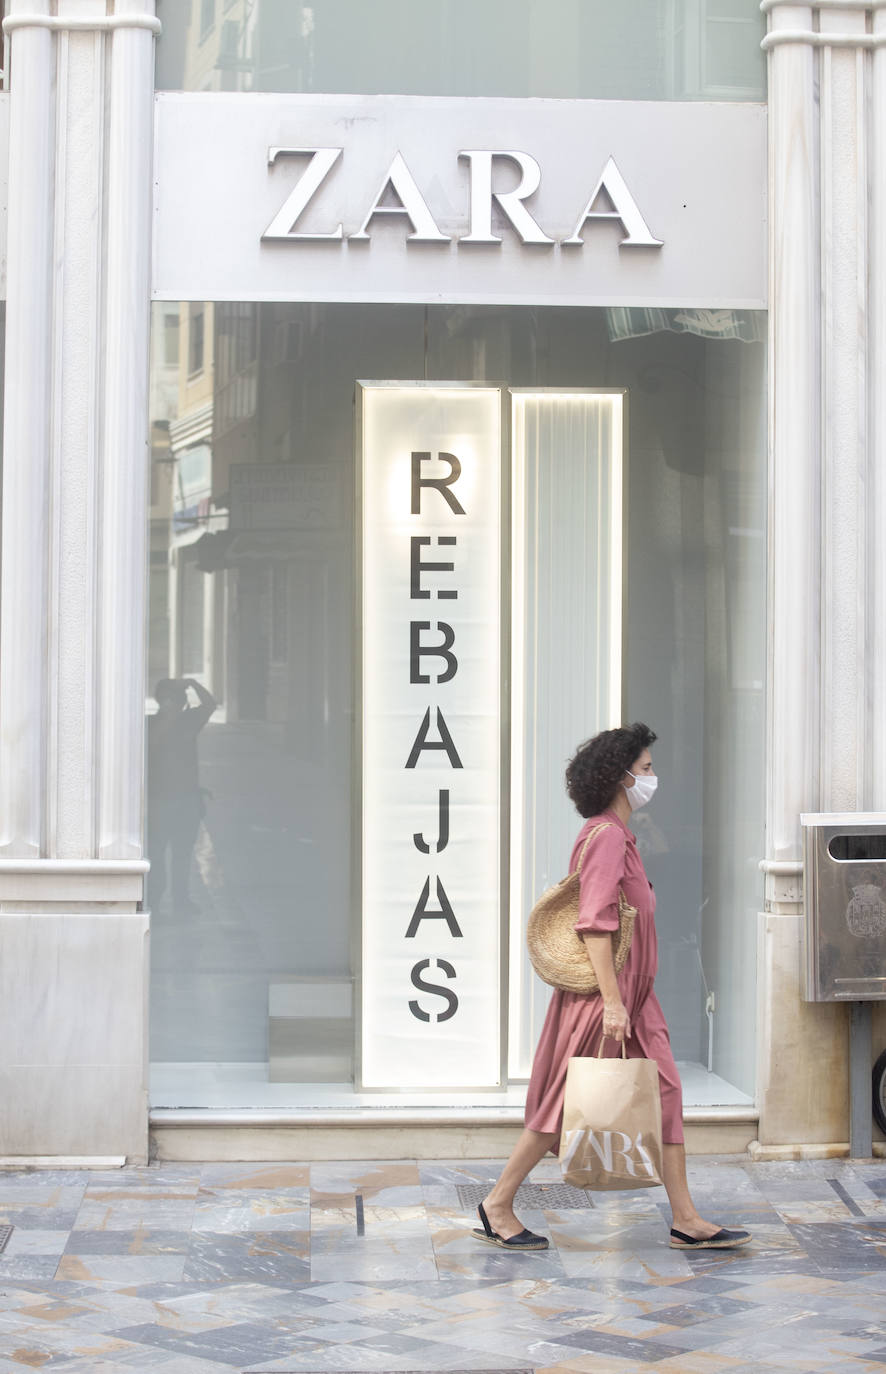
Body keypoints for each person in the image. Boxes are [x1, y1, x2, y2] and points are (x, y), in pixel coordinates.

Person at [475, 722, 751, 1253]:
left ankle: (686, 1218)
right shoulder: (605, 838)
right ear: (622, 778)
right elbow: (594, 924)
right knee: (562, 1103)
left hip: (635, 999)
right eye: (646, 769)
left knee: (666, 1094)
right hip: (606, 998)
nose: (652, 778)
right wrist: (612, 1002)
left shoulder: (624, 837)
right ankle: (498, 1203)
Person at [147, 677, 217, 915]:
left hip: (185, 801)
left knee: (182, 855)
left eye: (181, 700)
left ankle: (180, 900)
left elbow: (210, 704)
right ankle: (154, 901)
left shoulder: (188, 721)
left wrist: (193, 683)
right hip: (158, 801)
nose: (181, 704)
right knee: (156, 855)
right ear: (165, 702)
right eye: (178, 699)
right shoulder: (150, 725)